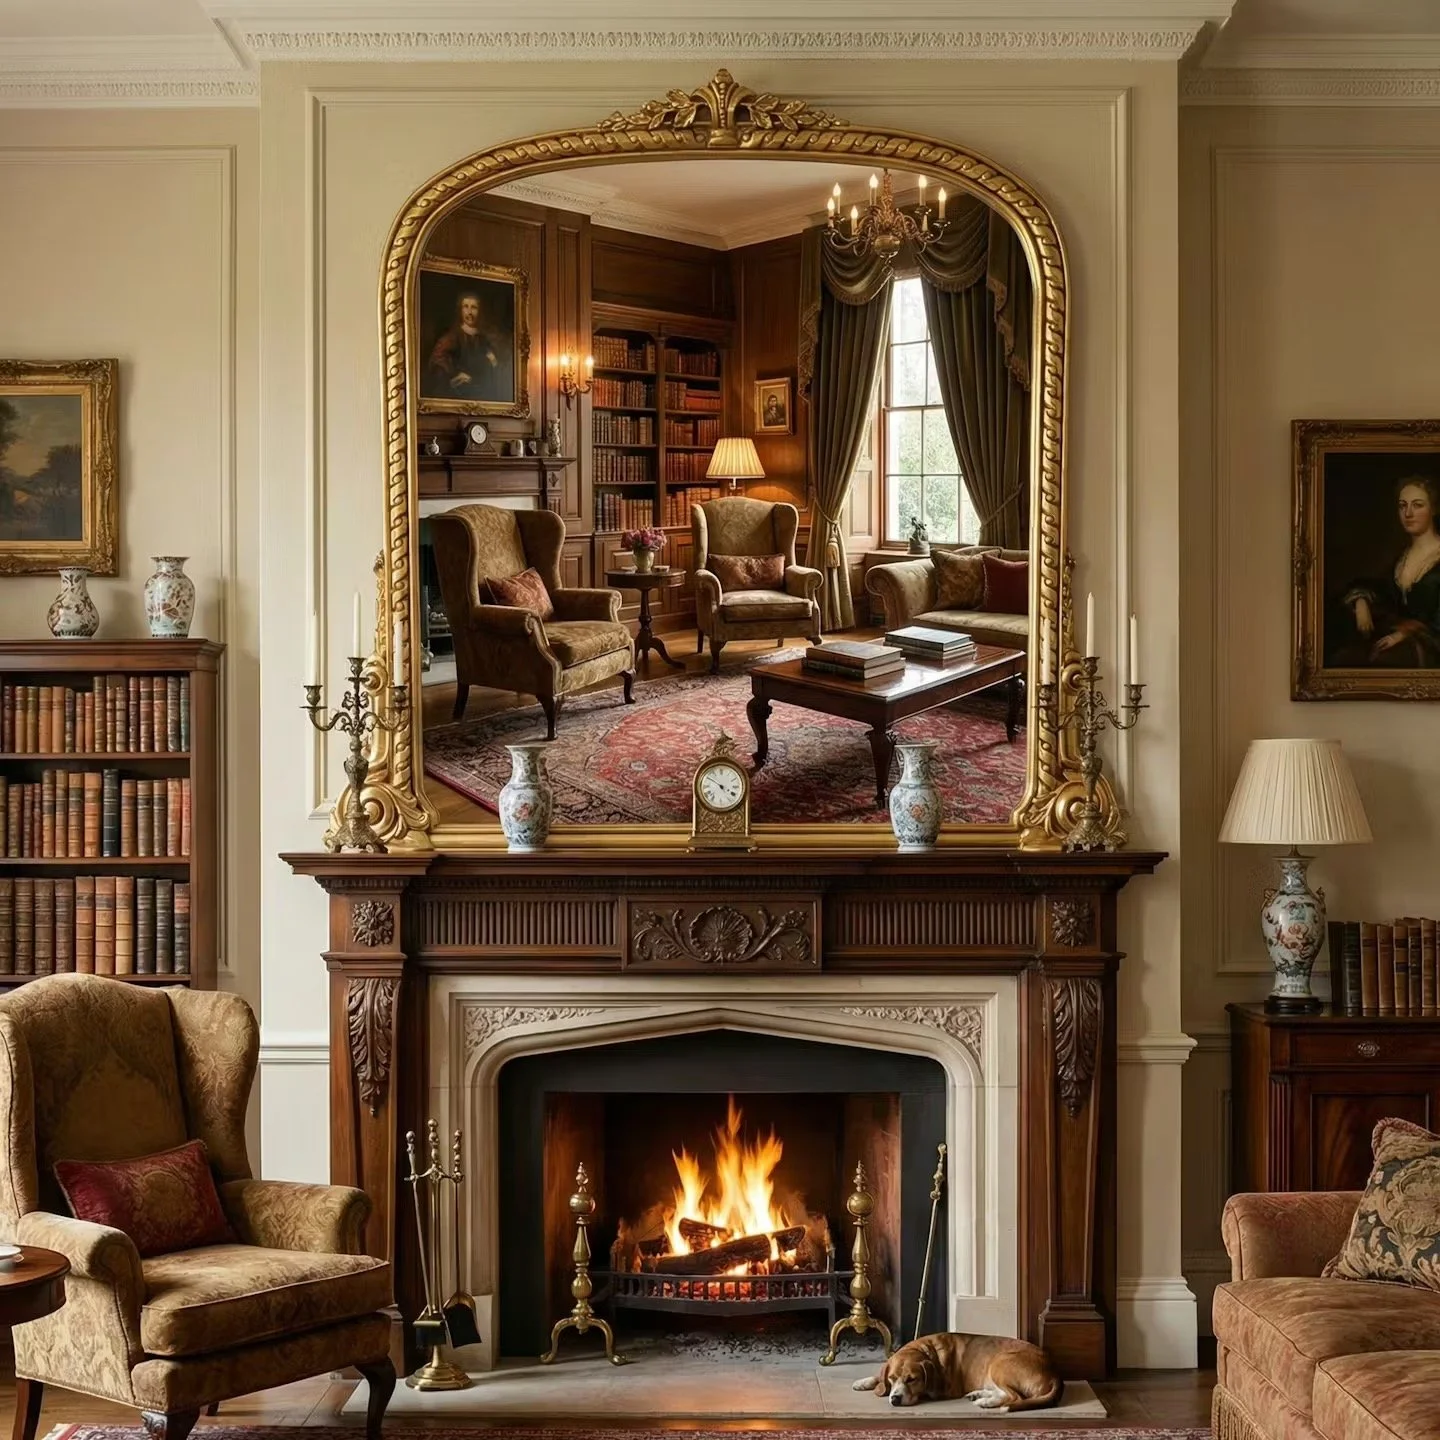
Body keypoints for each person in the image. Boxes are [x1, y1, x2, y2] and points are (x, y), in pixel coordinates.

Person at [1340, 475, 1440, 668]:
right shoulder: (1400, 560)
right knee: (1345, 658)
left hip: (1430, 651)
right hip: (1398, 643)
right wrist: (1361, 601)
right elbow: (1378, 590)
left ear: (1433, 509)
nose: (1408, 513)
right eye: (1403, 506)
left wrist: (1405, 633)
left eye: (1417, 505)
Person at [425, 291, 511, 403]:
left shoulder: (484, 339)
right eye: (466, 307)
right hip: (458, 394)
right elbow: (437, 359)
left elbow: (497, 367)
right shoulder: (452, 337)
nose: (469, 312)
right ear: (460, 310)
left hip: (482, 396)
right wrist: (455, 375)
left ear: (480, 311)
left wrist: (494, 363)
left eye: (474, 307)